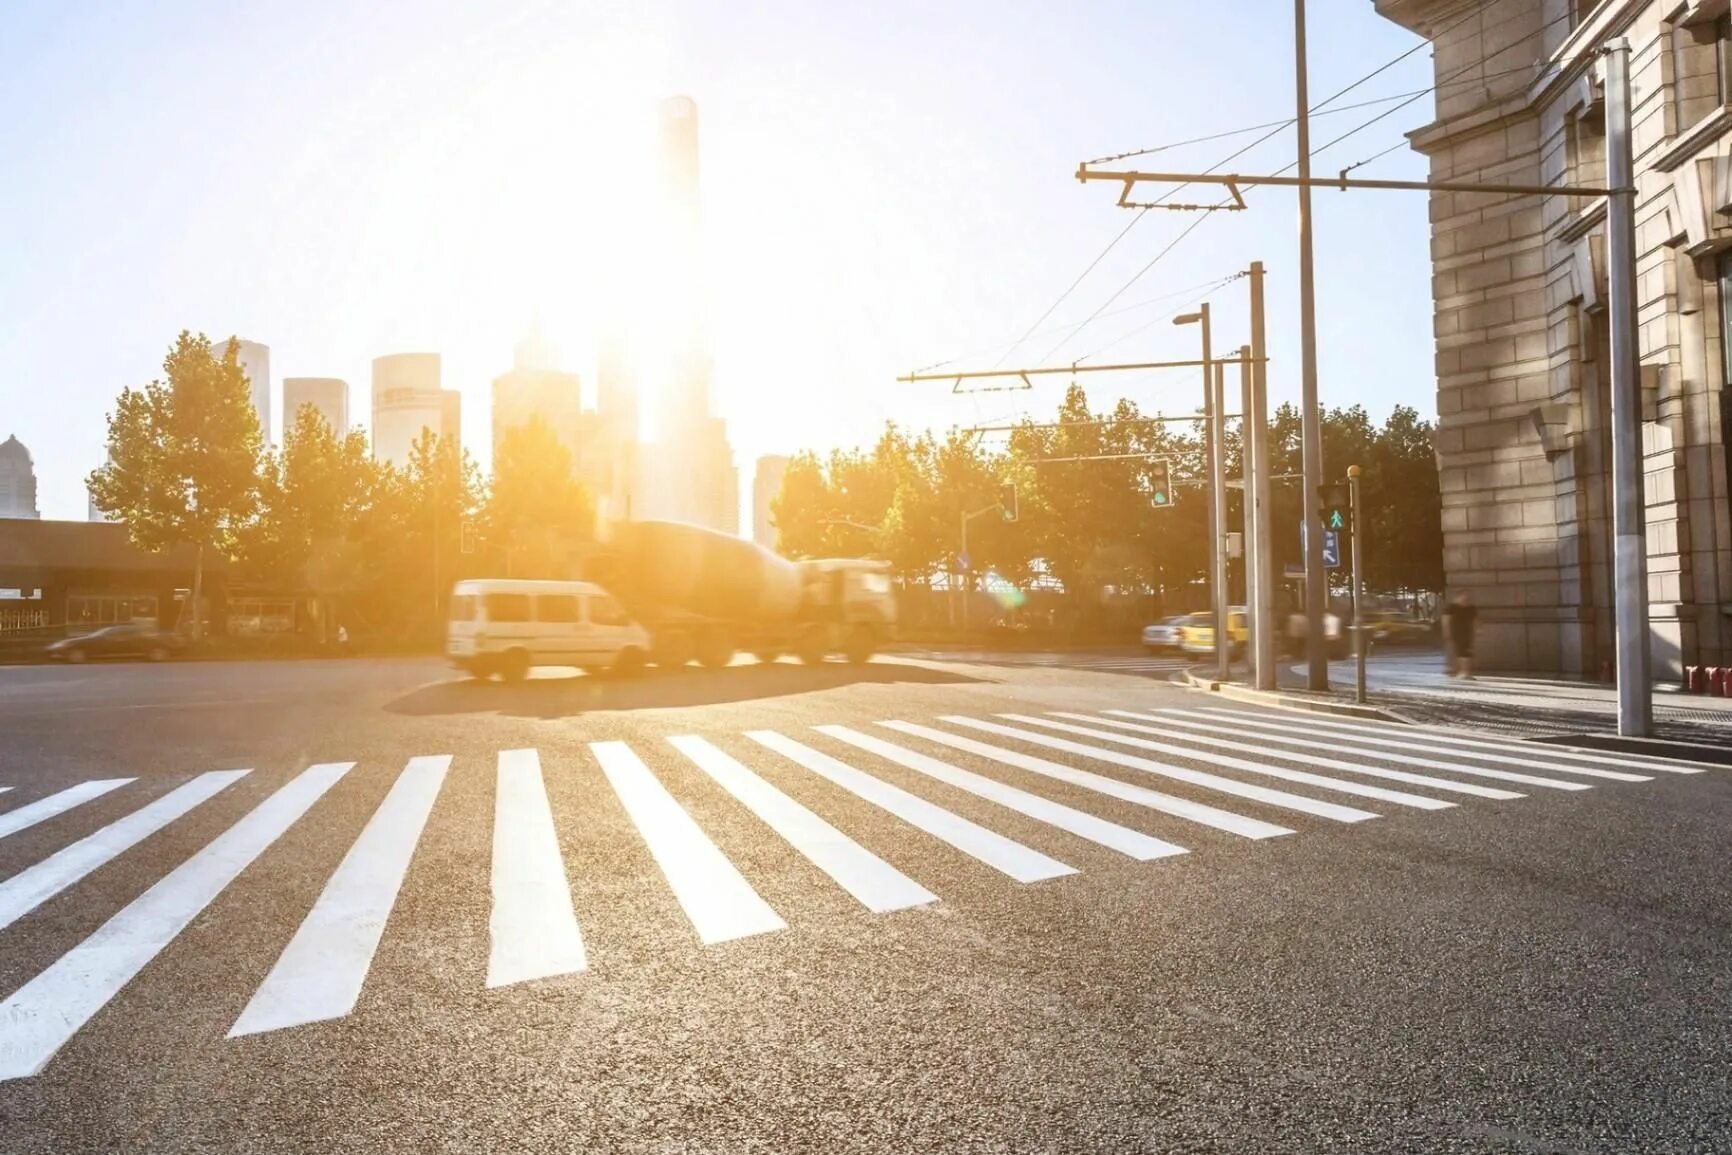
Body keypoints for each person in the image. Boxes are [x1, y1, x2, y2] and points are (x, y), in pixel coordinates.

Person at [1443, 591, 1477, 679]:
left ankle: (1465, 672)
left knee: (1466, 653)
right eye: (1463, 597)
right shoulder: (1451, 608)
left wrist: (1478, 629)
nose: (1465, 599)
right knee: (1461, 653)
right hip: (1456, 633)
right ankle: (1464, 672)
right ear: (1458, 597)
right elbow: (1446, 620)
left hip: (1467, 633)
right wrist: (1447, 632)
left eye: (1466, 597)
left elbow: (1475, 620)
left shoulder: (1470, 608)